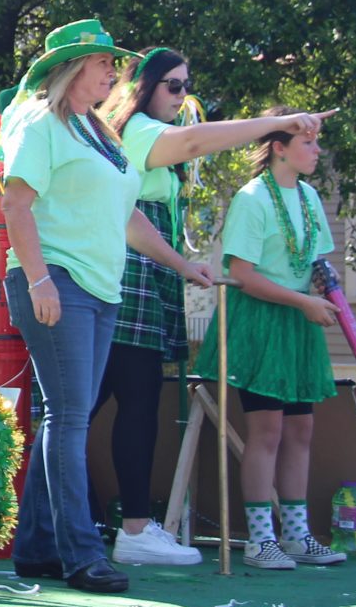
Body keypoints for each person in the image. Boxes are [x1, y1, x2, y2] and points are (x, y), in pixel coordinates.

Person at [0, 20, 215, 595]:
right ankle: (82, 553)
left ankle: (39, 547)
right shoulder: (41, 123)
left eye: (113, 65)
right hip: (57, 282)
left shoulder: (101, 133)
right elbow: (16, 206)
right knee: (70, 418)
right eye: (101, 63)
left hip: (101, 288)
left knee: (61, 418)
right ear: (70, 69)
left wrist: (182, 265)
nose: (112, 73)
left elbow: (128, 218)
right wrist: (41, 281)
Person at [98, 47, 337, 566]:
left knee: (130, 403)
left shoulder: (309, 197)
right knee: (93, 408)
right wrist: (272, 123)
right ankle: (129, 528)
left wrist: (183, 266)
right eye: (174, 86)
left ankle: (128, 525)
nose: (183, 97)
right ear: (143, 86)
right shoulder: (137, 129)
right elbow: (193, 142)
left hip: (155, 271)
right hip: (128, 274)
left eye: (187, 86)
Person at [193, 108, 346, 569]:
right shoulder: (252, 198)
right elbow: (241, 275)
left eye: (317, 143)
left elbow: (313, 259)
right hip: (262, 322)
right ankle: (261, 541)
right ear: (279, 146)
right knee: (268, 430)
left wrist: (323, 282)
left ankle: (297, 536)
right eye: (308, 143)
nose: (317, 152)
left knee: (302, 428)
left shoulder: (309, 197)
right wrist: (303, 302)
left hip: (298, 323)